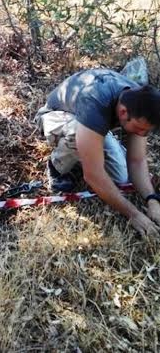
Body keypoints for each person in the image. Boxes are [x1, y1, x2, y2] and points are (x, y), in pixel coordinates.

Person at [36, 68, 160, 236]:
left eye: (146, 131)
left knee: (121, 177)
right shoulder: (95, 100)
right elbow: (93, 175)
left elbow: (137, 161)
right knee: (75, 135)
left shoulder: (139, 105)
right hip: (56, 116)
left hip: (90, 124)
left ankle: (87, 150)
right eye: (139, 129)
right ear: (123, 113)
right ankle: (56, 167)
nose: (141, 135)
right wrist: (134, 214)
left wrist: (152, 199)